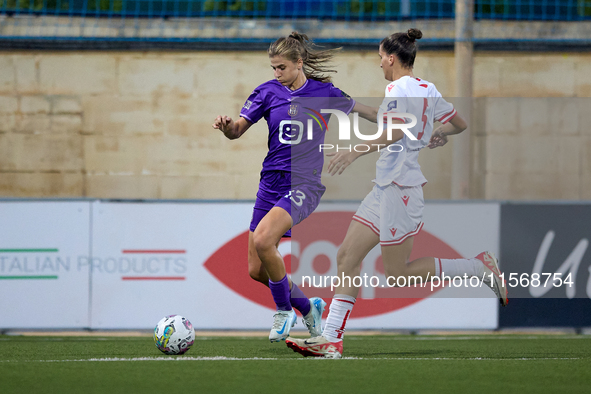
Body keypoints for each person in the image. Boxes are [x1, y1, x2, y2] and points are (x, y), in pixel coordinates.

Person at [286, 28, 508, 358]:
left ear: (392, 58)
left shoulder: (396, 89)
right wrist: (439, 132)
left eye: (380, 58)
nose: (379, 64)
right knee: (347, 257)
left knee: (398, 275)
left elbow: (392, 131)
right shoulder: (427, 88)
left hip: (401, 189)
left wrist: (354, 151)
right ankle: (331, 340)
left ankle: (477, 268)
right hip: (386, 188)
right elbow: (459, 123)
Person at [212, 32, 377, 343]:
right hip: (270, 183)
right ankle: (307, 307)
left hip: (303, 183)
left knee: (263, 240)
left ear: (299, 63)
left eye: (281, 67)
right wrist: (225, 128)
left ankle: (283, 310)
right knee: (256, 269)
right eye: (273, 68)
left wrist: (400, 121)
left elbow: (364, 111)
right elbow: (236, 131)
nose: (276, 73)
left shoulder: (324, 93)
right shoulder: (266, 92)